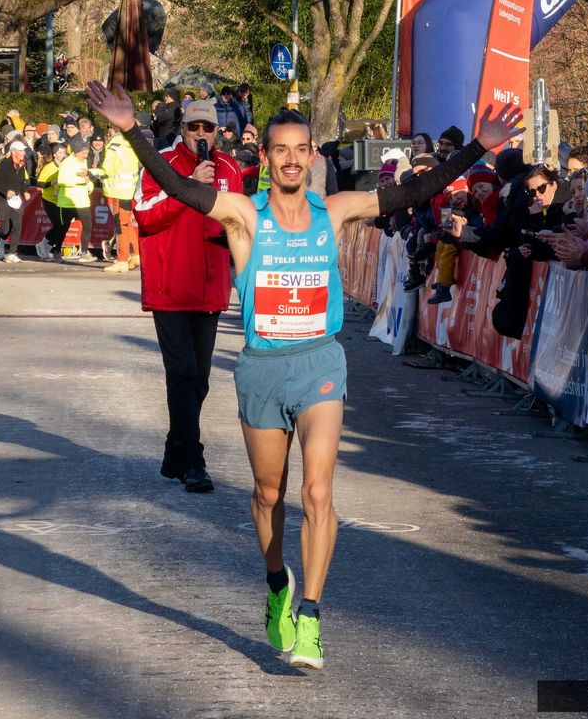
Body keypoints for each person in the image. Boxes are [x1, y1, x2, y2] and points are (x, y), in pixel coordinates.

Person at [87, 80, 522, 670]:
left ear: (313, 155)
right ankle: (277, 585)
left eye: (301, 150)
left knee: (319, 492)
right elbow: (179, 189)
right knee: (269, 495)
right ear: (264, 157)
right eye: (280, 150)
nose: (292, 160)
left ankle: (312, 617)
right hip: (264, 368)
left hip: (320, 362)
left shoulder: (335, 210)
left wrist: (476, 147)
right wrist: (131, 130)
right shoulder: (242, 214)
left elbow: (414, 191)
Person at [132, 99, 243, 494]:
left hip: (211, 288)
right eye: (194, 127)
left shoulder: (230, 169)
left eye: (208, 129)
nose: (201, 135)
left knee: (199, 380)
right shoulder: (161, 162)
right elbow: (144, 216)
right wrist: (190, 185)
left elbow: (239, 224)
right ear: (182, 129)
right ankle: (193, 460)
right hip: (171, 285)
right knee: (181, 375)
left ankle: (173, 451)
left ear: (218, 132)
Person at [100, 127, 141, 273]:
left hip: (118, 191)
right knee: (127, 224)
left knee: (121, 226)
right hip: (130, 190)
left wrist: (92, 172)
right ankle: (135, 254)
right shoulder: (132, 143)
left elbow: (106, 168)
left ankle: (122, 259)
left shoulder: (115, 144)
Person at [0, 140, 31, 264]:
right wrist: (6, 191)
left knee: (17, 227)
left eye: (23, 150)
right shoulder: (4, 164)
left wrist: (25, 191)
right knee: (5, 230)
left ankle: (12, 253)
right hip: (2, 200)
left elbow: (22, 182)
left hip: (16, 201)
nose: (23, 153)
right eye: (21, 150)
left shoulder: (22, 165)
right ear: (13, 152)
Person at [56, 142, 95, 263]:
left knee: (88, 226)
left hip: (82, 201)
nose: (85, 156)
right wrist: (81, 181)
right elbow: (61, 180)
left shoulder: (83, 161)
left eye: (87, 153)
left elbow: (86, 179)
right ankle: (57, 252)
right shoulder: (67, 162)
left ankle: (83, 253)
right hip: (67, 201)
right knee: (63, 228)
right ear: (76, 151)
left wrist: (90, 185)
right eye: (83, 153)